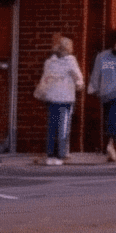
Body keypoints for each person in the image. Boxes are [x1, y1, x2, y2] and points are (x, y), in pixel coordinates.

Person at [35, 36, 82, 165]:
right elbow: (78, 78)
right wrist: (79, 84)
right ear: (68, 48)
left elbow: (45, 78)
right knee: (63, 127)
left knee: (52, 127)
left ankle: (50, 154)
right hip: (65, 99)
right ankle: (61, 155)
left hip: (52, 98)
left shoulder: (50, 62)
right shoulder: (70, 61)